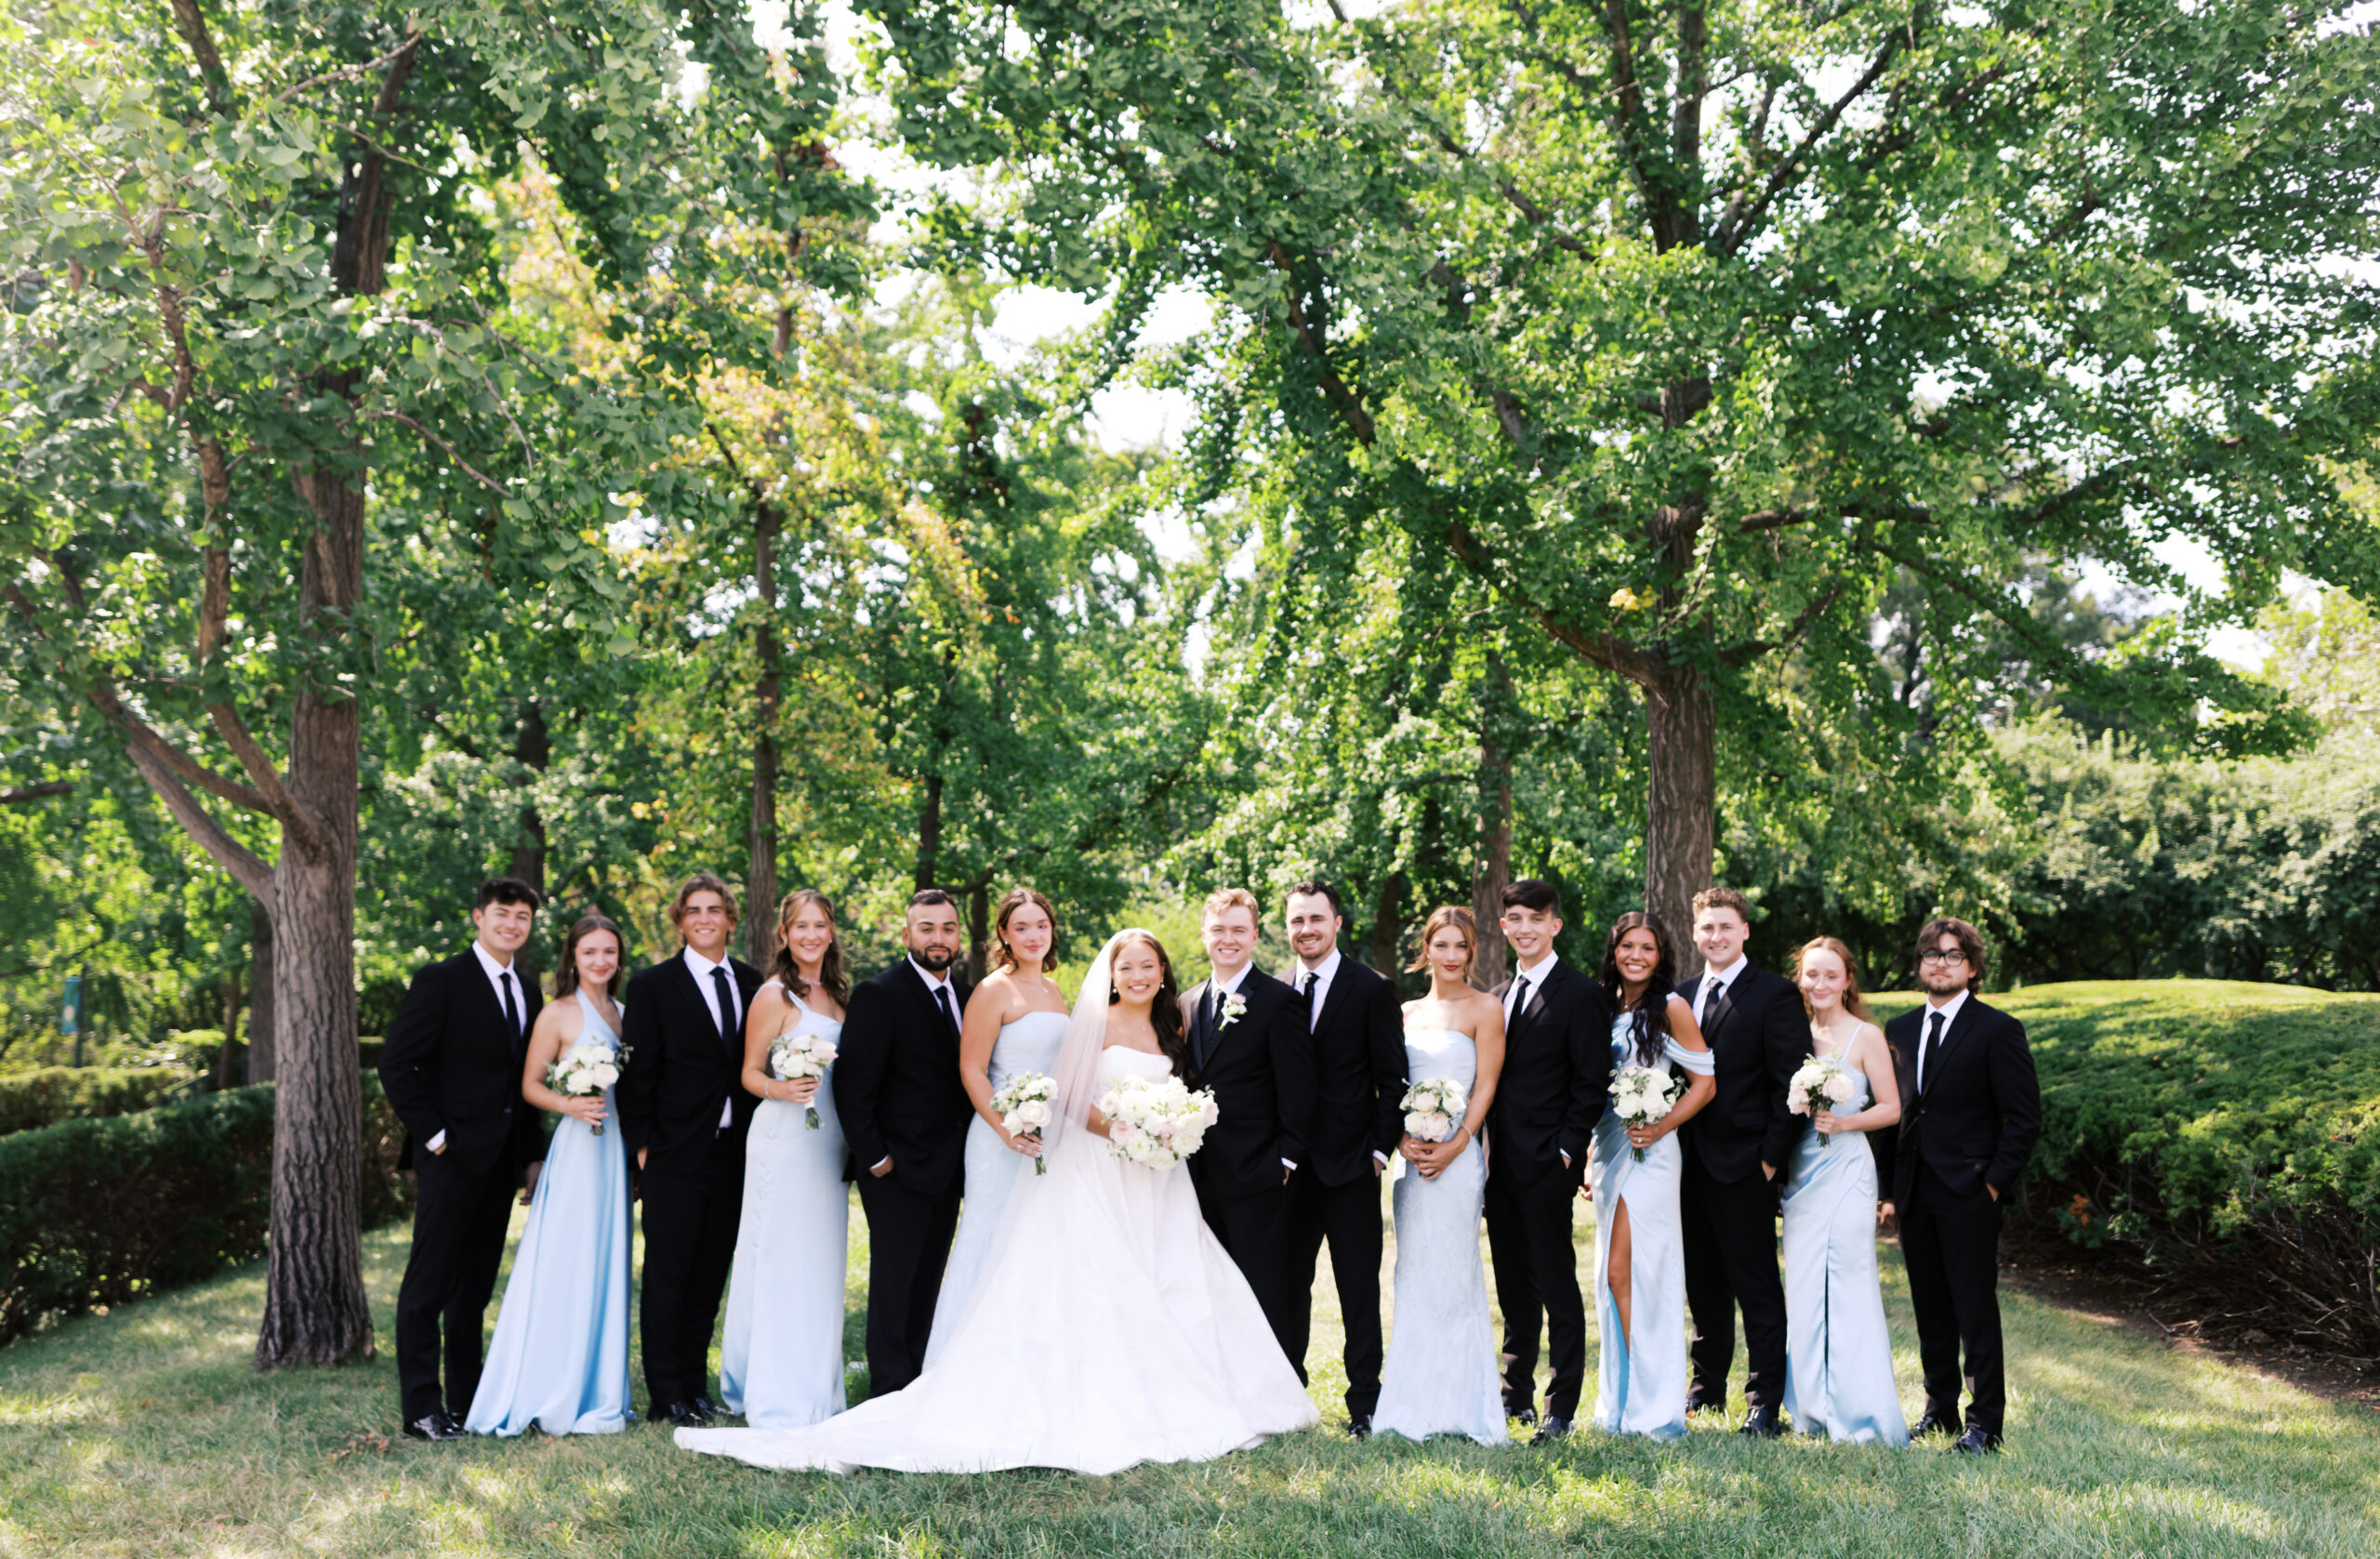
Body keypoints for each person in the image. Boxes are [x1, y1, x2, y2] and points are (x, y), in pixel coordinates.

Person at [674, 929, 1319, 1473]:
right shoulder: (1084, 1019)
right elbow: (1069, 1095)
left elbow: (1182, 1090)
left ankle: (1195, 1388)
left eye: (1149, 965)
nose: (1139, 975)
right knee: (1104, 1280)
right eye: (1127, 966)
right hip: (1103, 1164)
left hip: (1160, 1176)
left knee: (1175, 1278)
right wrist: (1127, 1128)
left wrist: (1169, 1128)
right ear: (1112, 975)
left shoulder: (1170, 1020)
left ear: (1162, 973)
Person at [379, 877, 548, 1441]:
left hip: (500, 1165)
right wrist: (436, 1138)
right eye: (502, 913)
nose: (512, 924)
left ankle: (469, 1402)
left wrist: (530, 1158)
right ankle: (422, 1409)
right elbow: (396, 1065)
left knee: (473, 1290)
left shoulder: (528, 991)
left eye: (522, 916)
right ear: (478, 917)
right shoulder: (442, 980)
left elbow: (526, 1082)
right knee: (428, 1286)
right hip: (450, 1160)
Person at [465, 913, 635, 1436]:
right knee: (568, 1258)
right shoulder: (558, 1014)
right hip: (579, 1149)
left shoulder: (627, 1013)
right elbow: (530, 1084)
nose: (600, 961)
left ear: (618, 959)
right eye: (590, 953)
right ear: (573, 959)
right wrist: (571, 1104)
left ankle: (599, 1390)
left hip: (616, 1149)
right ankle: (547, 1385)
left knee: (607, 1260)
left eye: (608, 952)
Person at [1883, 918, 2042, 1454]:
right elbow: (1898, 1115)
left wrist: (1992, 1186)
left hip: (1970, 1192)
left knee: (1974, 1309)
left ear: (1972, 968)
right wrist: (1889, 1189)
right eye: (1932, 954)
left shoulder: (1998, 1029)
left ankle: (1985, 1424)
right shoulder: (1899, 1030)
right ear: (1920, 965)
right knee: (1930, 1307)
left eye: (1953, 955)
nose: (1941, 963)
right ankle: (1940, 1409)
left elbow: (2023, 1119)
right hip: (1914, 1192)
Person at [615, 874, 764, 1427]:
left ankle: (695, 1386)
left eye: (715, 909)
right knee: (668, 1275)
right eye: (693, 911)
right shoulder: (653, 985)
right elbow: (636, 1075)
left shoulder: (752, 982)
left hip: (735, 1152)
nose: (705, 918)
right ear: (681, 921)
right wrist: (644, 1147)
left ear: (730, 918)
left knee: (708, 1275)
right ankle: (665, 1393)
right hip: (674, 1153)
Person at [1673, 886, 1806, 1435]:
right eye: (1707, 928)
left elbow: (1791, 1085)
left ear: (1744, 931)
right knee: (1702, 1288)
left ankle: (1763, 1403)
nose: (1716, 936)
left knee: (1756, 1288)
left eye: (1726, 927)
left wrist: (1770, 1161)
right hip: (1685, 1165)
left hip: (1747, 1166)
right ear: (1696, 933)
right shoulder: (1679, 995)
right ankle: (1705, 1392)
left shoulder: (1774, 994)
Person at [1371, 906, 1508, 1446]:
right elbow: (1391, 1084)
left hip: (1459, 1157)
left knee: (1454, 1273)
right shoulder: (1404, 1012)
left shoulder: (1485, 1008)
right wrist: (1402, 1138)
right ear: (1425, 949)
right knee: (1414, 1271)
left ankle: (1462, 1404)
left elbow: (1486, 1088)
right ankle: (1411, 1401)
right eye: (1442, 945)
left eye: (1462, 947)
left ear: (1472, 952)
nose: (1452, 956)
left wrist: (1456, 1145)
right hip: (1413, 1157)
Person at [1277, 879, 1408, 1437]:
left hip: (1352, 1166)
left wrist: (1379, 1151)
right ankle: (1287, 1397)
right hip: (1285, 1171)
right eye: (1297, 920)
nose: (1306, 929)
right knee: (1288, 1286)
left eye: (1316, 919)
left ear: (1336, 924)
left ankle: (1365, 1404)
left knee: (1357, 1289)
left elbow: (1392, 1078)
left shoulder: (1371, 988)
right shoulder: (1274, 989)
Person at [834, 888, 976, 1397]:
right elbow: (852, 1086)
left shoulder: (966, 993)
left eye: (948, 928)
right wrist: (876, 1158)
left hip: (950, 1168)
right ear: (907, 935)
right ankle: (888, 1389)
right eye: (927, 928)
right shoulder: (881, 993)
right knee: (894, 1285)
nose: (939, 938)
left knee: (929, 1281)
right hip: (895, 1170)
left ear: (959, 934)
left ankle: (917, 1381)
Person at [1483, 879, 1611, 1442]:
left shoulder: (1581, 994)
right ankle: (1517, 1396)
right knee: (1513, 1285)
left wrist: (1565, 1149)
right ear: (1505, 926)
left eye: (1536, 918)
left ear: (1554, 925)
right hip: (1497, 1166)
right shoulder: (1496, 993)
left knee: (1556, 1282)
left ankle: (1561, 1406)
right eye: (1515, 918)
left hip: (1547, 1164)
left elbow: (1590, 1082)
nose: (1525, 927)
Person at [719, 890, 852, 1427]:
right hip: (784, 1138)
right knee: (780, 1256)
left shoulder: (840, 995)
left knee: (821, 1259)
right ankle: (776, 1387)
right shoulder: (773, 995)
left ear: (831, 931)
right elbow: (748, 1072)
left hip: (829, 1142)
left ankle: (818, 1382)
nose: (811, 935)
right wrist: (781, 1089)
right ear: (784, 935)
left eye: (820, 925)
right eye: (800, 927)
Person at [927, 887, 1072, 1365]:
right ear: (1004, 936)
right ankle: (964, 1363)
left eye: (1041, 925)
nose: (1034, 935)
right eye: (1022, 927)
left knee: (1034, 1244)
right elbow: (971, 1069)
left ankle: (1023, 1361)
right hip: (997, 1139)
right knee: (989, 1239)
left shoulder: (1055, 991)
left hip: (1046, 1140)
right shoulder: (994, 990)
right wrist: (1006, 1128)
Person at [1590, 912, 1717, 1439]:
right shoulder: (1601, 1004)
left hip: (1650, 1151)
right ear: (1614, 950)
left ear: (1661, 955)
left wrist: (1660, 1125)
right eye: (1627, 946)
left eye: (1647, 947)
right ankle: (1621, 1401)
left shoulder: (1671, 1008)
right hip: (1606, 1147)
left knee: (1634, 1272)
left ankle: (1653, 1403)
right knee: (1612, 1274)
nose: (1636, 955)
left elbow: (1704, 1082)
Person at [1778, 937, 1907, 1446]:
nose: (1821, 984)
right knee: (1805, 1289)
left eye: (1831, 975)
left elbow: (1892, 1107)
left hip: (1849, 1172)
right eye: (1812, 975)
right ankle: (1810, 1409)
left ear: (1848, 980)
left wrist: (1847, 1120)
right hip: (1801, 1173)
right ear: (1801, 979)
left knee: (1849, 1285)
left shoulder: (1866, 1036)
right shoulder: (1793, 1033)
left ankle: (1861, 1412)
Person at [1176, 887, 1315, 1354]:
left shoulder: (1280, 1000)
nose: (1228, 939)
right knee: (1209, 1288)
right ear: (1204, 935)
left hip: (1259, 1172)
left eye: (1238, 930)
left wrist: (1287, 1160)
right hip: (1196, 1175)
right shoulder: (1187, 1002)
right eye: (1219, 930)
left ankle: (1276, 1390)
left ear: (1255, 936)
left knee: (1264, 1287)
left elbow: (1299, 1087)